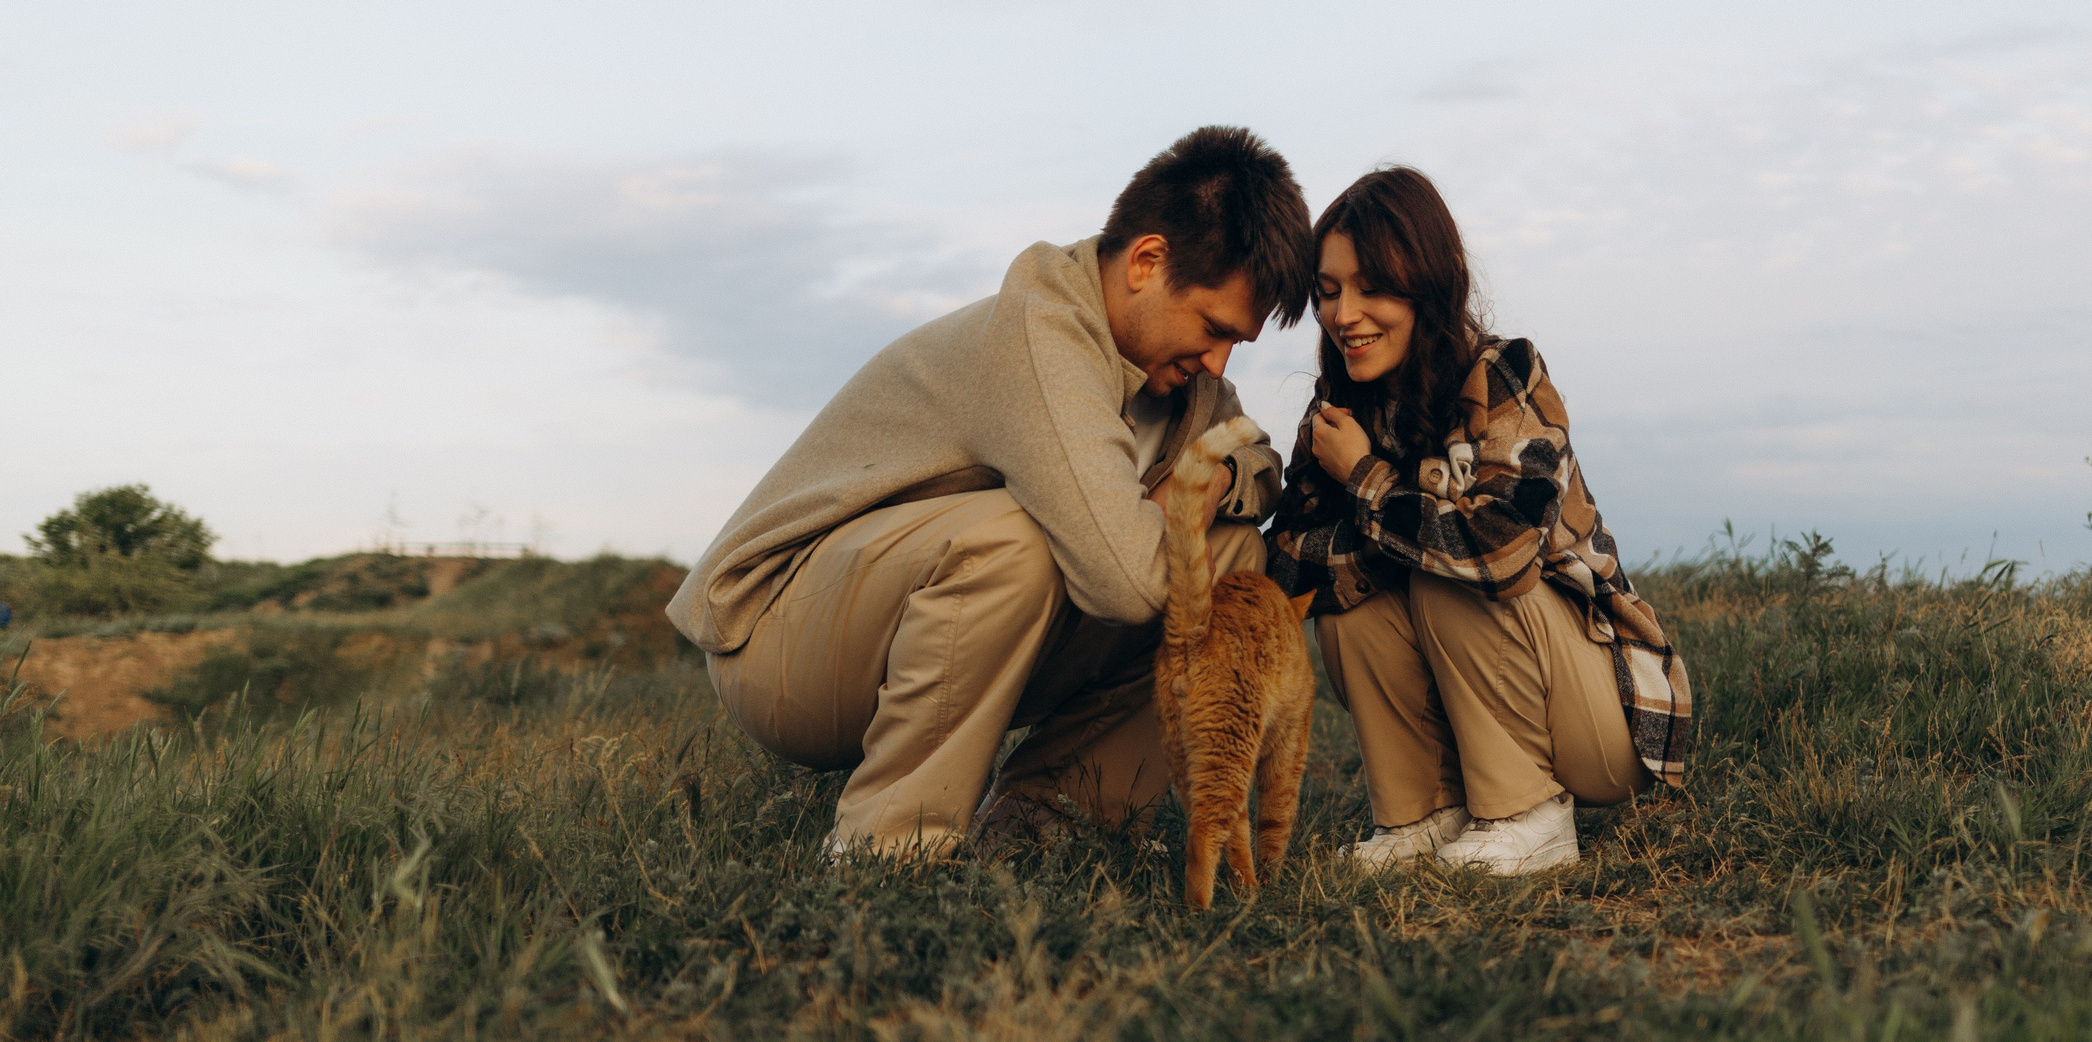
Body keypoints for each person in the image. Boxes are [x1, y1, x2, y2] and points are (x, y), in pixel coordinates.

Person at [666, 127, 1315, 859]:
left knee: (1231, 557)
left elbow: (1259, 456)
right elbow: (1127, 583)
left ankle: (1049, 817)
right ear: (1146, 261)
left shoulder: (1186, 386)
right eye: (1213, 328)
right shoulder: (1041, 334)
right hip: (779, 643)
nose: (1218, 362)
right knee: (1018, 538)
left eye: (1238, 345)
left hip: (917, 635)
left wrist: (1214, 480)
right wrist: (1172, 504)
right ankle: (887, 847)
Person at [1266, 168, 1692, 876]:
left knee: (1452, 573)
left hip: (1605, 720)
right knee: (1350, 607)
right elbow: (1291, 565)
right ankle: (1422, 816)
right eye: (1329, 290)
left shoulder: (1506, 376)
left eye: (1372, 287)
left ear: (1434, 282)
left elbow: (1500, 553)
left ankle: (1529, 814)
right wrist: (1399, 527)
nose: (1344, 314)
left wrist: (1370, 485)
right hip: (1480, 695)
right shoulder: (1337, 413)